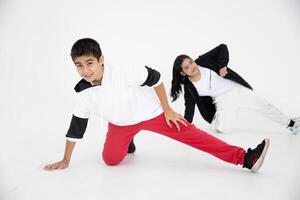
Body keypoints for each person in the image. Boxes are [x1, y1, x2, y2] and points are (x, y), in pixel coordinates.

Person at [44, 38, 269, 173]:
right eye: (79, 66)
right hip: (121, 125)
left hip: (152, 114)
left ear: (101, 59)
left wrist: (168, 109)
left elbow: (157, 78)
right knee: (111, 161)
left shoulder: (125, 72)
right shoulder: (83, 94)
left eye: (90, 63)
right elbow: (76, 129)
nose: (85, 70)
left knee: (195, 136)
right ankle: (128, 142)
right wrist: (65, 160)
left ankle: (245, 158)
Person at [171, 44, 300, 134]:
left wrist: (222, 66)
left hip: (237, 88)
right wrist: (185, 127)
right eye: (186, 67)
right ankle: (220, 120)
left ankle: (291, 124)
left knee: (263, 105)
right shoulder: (189, 87)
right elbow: (189, 109)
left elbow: (222, 47)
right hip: (223, 100)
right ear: (183, 73)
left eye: (190, 62)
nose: (192, 67)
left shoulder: (203, 61)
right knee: (223, 129)